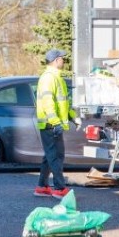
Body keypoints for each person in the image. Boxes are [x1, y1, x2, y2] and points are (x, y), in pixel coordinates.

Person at [34, 49, 78, 198]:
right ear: (56, 60)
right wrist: (55, 122)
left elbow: (63, 103)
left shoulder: (56, 77)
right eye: (62, 58)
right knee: (56, 156)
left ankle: (42, 187)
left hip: (51, 123)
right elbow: (48, 103)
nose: (63, 61)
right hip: (50, 124)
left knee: (50, 155)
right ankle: (59, 189)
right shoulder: (49, 78)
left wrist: (72, 116)